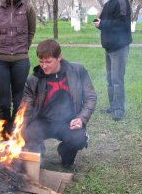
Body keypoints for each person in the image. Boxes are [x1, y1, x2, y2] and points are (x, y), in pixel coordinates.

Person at [21, 39, 97, 170]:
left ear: (59, 57)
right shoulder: (33, 80)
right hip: (42, 122)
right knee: (27, 133)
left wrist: (81, 118)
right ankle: (38, 156)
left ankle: (66, 154)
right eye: (41, 61)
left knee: (79, 138)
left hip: (69, 122)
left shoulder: (77, 71)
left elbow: (91, 97)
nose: (44, 66)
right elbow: (26, 109)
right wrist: (19, 130)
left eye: (48, 62)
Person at [0, 0, 36, 137]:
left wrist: (23, 48)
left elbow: (31, 31)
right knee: (4, 101)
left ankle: (16, 131)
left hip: (21, 60)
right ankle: (3, 133)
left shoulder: (27, 7)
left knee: (18, 100)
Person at [93, 0, 132, 121]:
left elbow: (122, 24)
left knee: (117, 79)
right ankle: (112, 106)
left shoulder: (121, 1)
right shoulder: (108, 3)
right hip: (109, 47)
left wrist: (102, 24)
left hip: (119, 47)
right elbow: (104, 21)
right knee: (110, 79)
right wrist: (98, 22)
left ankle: (119, 109)